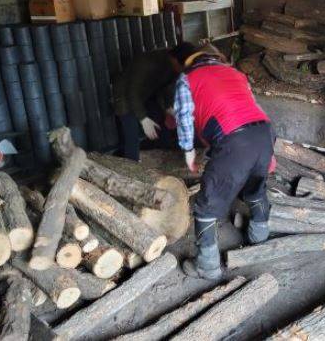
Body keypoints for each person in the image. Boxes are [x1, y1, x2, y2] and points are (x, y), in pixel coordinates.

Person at [173, 43, 275, 280]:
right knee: (255, 188)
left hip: (235, 140)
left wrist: (188, 151)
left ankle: (207, 265)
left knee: (207, 203)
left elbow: (184, 118)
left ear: (187, 62)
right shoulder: (234, 73)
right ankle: (259, 236)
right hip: (264, 132)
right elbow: (251, 105)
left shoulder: (187, 79)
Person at [113, 44, 194, 161]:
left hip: (147, 93)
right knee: (131, 134)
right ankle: (130, 163)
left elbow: (168, 86)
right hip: (124, 96)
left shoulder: (174, 65)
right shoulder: (147, 63)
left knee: (159, 125)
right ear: (175, 60)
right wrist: (143, 119)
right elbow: (132, 92)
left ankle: (157, 151)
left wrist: (168, 106)